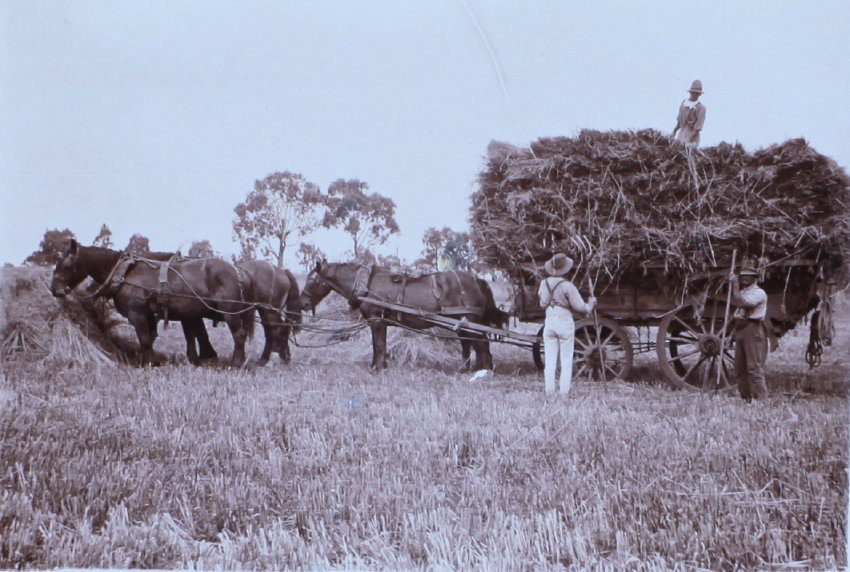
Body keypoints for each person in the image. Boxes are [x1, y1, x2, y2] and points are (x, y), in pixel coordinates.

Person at [537, 253, 596, 395]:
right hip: (564, 322)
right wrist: (591, 304)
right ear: (565, 269)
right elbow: (580, 307)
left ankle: (549, 391)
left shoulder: (543, 284)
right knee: (566, 360)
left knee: (550, 360)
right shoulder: (568, 286)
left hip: (549, 321)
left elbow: (542, 303)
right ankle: (564, 392)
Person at [729, 266, 769, 401]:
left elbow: (743, 304)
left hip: (752, 329)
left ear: (755, 278)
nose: (744, 277)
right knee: (739, 368)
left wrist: (734, 284)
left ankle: (761, 400)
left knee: (753, 367)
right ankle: (746, 398)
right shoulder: (744, 291)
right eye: (742, 275)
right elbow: (738, 313)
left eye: (748, 275)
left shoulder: (759, 293)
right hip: (741, 329)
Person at [672, 80, 707, 146]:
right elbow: (679, 121)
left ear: (699, 94)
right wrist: (674, 132)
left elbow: (697, 128)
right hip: (681, 134)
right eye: (693, 92)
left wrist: (688, 139)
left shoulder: (701, 108)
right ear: (690, 92)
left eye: (697, 93)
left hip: (692, 138)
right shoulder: (684, 104)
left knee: (685, 150)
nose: (694, 95)